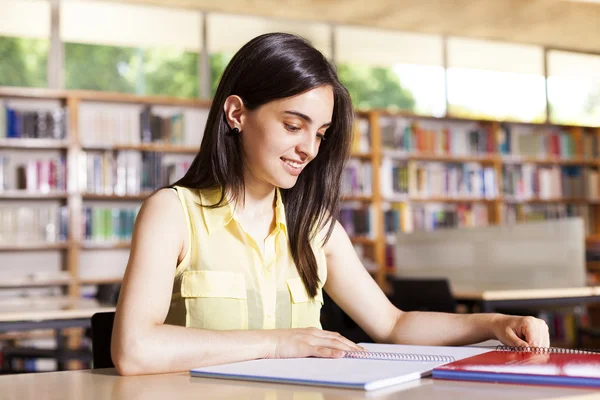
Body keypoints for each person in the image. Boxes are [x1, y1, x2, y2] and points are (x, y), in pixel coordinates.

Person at [111, 32, 550, 376]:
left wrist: (491, 324)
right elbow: (134, 349)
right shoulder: (172, 213)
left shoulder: (317, 228)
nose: (308, 149)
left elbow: (393, 325)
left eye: (320, 133)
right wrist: (277, 343)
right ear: (236, 114)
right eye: (292, 125)